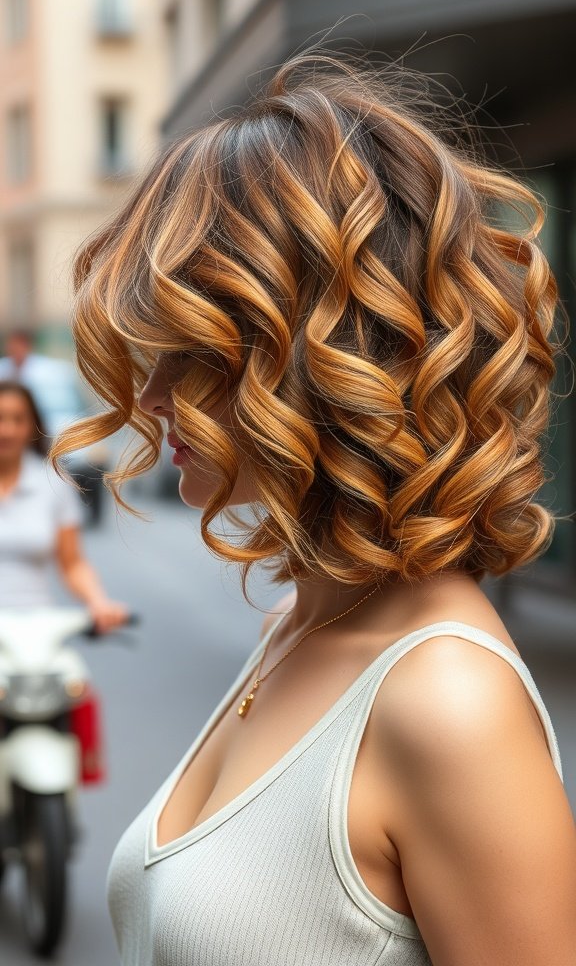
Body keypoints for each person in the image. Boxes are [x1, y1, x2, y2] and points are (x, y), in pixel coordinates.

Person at [49, 51, 576, 965]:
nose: (153, 396)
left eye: (197, 353)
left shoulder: (449, 705)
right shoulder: (305, 616)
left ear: (327, 359)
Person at [0, 380, 128, 632]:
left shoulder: (53, 484)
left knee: (74, 673)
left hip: (35, 629)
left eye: (18, 419)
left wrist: (99, 603)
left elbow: (73, 564)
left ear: (32, 426)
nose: (8, 430)